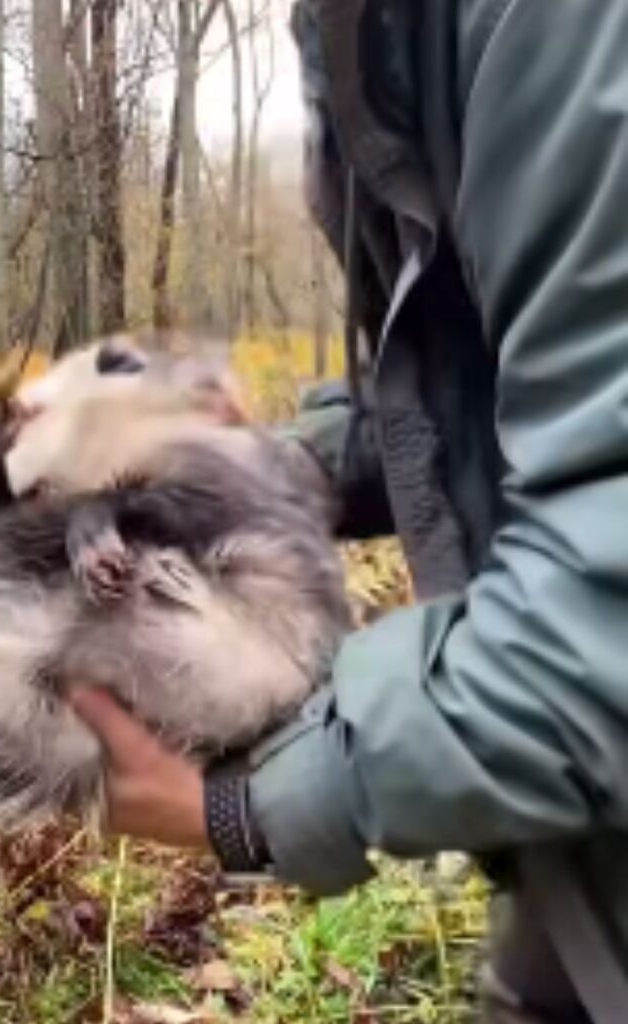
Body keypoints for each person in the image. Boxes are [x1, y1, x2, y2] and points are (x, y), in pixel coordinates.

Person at [66, 3, 628, 1022]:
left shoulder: (552, 28)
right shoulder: (379, 37)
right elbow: (479, 406)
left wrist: (246, 804)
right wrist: (252, 477)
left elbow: (608, 611)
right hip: (585, 861)